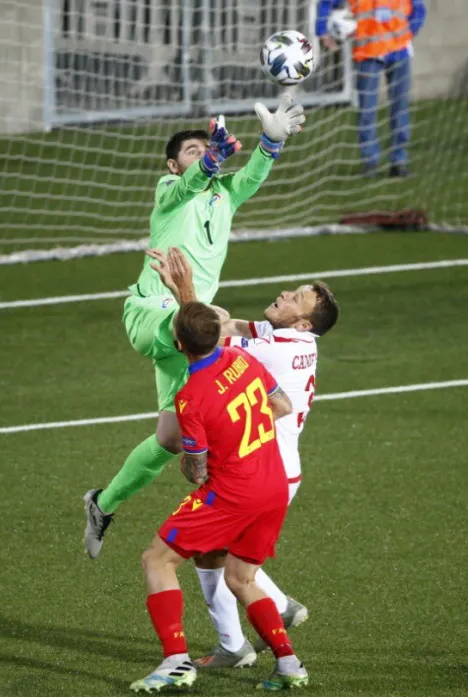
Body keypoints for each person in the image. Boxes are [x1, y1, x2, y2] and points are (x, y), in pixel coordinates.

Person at [82, 95, 307, 559]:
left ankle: (102, 505)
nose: (206, 154)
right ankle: (246, 345)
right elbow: (187, 187)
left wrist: (270, 142)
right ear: (173, 164)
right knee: (215, 325)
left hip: (187, 331)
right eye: (194, 151)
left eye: (211, 147)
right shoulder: (168, 192)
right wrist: (207, 163)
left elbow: (251, 177)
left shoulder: (224, 193)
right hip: (152, 314)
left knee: (168, 438)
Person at [147, 246, 340, 668]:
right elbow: (224, 322)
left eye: (297, 298)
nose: (286, 293)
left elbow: (204, 338)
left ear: (305, 321)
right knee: (216, 556)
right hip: (275, 470)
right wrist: (195, 298)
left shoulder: (275, 351)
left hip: (257, 471)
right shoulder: (292, 337)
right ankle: (268, 622)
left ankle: (238, 641)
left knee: (210, 561)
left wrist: (185, 289)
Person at [131, 302, 309, 693]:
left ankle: (176, 660)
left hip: (233, 494)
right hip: (273, 485)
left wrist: (207, 451)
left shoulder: (191, 396)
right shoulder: (239, 358)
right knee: (241, 578)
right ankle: (288, 663)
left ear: (179, 345)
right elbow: (281, 405)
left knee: (157, 560)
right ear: (216, 335)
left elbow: (195, 470)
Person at [315, 0, 428, 177]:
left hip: (399, 52)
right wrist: (322, 31)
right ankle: (370, 163)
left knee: (400, 109)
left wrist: (408, 34)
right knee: (367, 111)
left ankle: (399, 162)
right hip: (367, 53)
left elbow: (419, 9)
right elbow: (326, 3)